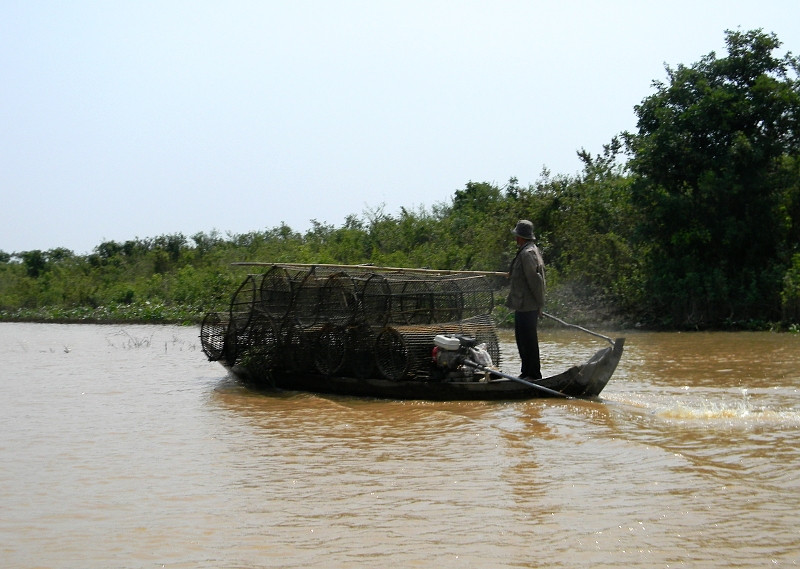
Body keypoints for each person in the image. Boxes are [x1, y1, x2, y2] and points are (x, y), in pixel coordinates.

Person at [505, 220, 546, 380]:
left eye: (517, 236)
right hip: (522, 305)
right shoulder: (527, 251)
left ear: (520, 237)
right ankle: (526, 373)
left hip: (528, 305)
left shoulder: (527, 253)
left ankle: (533, 374)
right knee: (522, 340)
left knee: (528, 341)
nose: (515, 239)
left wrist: (540, 305)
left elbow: (536, 280)